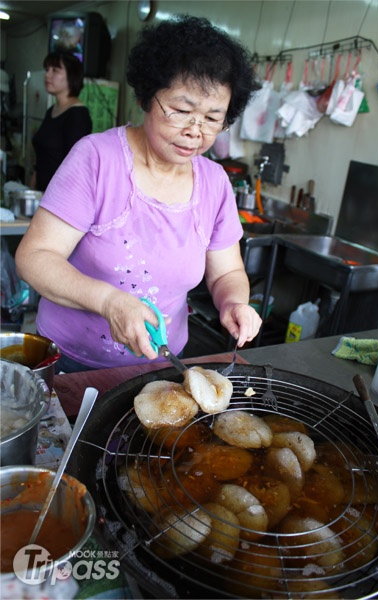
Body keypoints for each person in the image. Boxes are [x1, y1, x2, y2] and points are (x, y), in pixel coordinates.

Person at [16, 15, 262, 374]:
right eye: (180, 111)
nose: (195, 131)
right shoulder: (96, 159)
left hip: (161, 364)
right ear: (147, 96)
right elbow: (34, 257)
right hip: (71, 361)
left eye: (213, 118)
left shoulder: (215, 183)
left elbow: (227, 273)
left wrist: (234, 302)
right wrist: (109, 302)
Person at [30, 51, 92, 191]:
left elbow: (74, 168)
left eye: (55, 70)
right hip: (41, 194)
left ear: (71, 76)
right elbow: (42, 159)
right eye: (47, 70)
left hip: (59, 199)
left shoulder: (78, 115)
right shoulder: (51, 110)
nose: (48, 75)